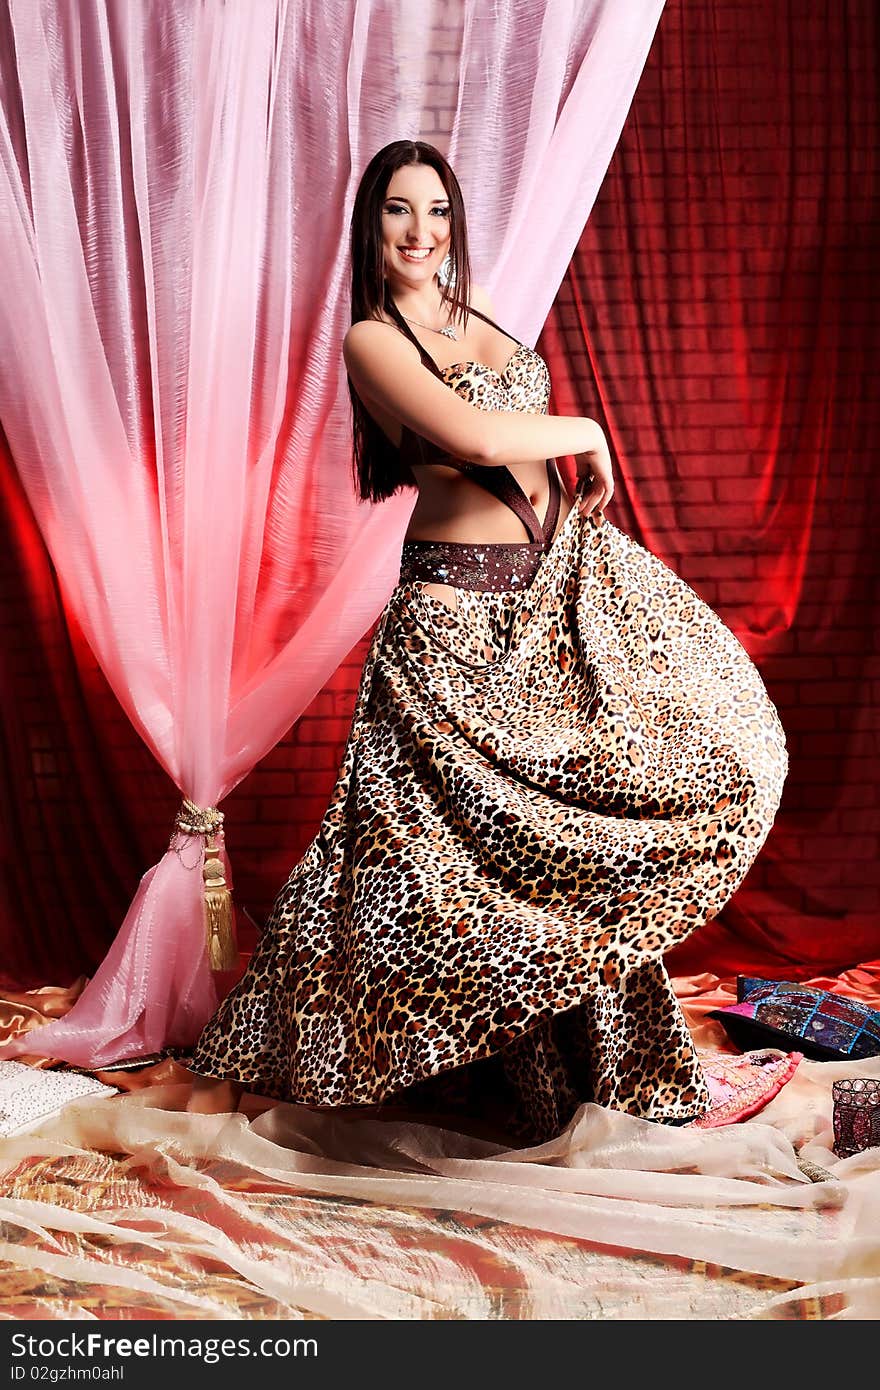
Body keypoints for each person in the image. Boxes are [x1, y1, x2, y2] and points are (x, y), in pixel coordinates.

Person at [187, 140, 788, 1144]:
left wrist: (566, 473)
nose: (421, 232)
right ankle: (406, 1063)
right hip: (450, 635)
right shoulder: (371, 340)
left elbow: (509, 434)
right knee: (445, 872)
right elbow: (469, 437)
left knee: (582, 843)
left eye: (436, 211)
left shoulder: (478, 322)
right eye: (396, 212)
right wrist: (583, 430)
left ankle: (623, 1070)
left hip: (540, 609)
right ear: (370, 229)